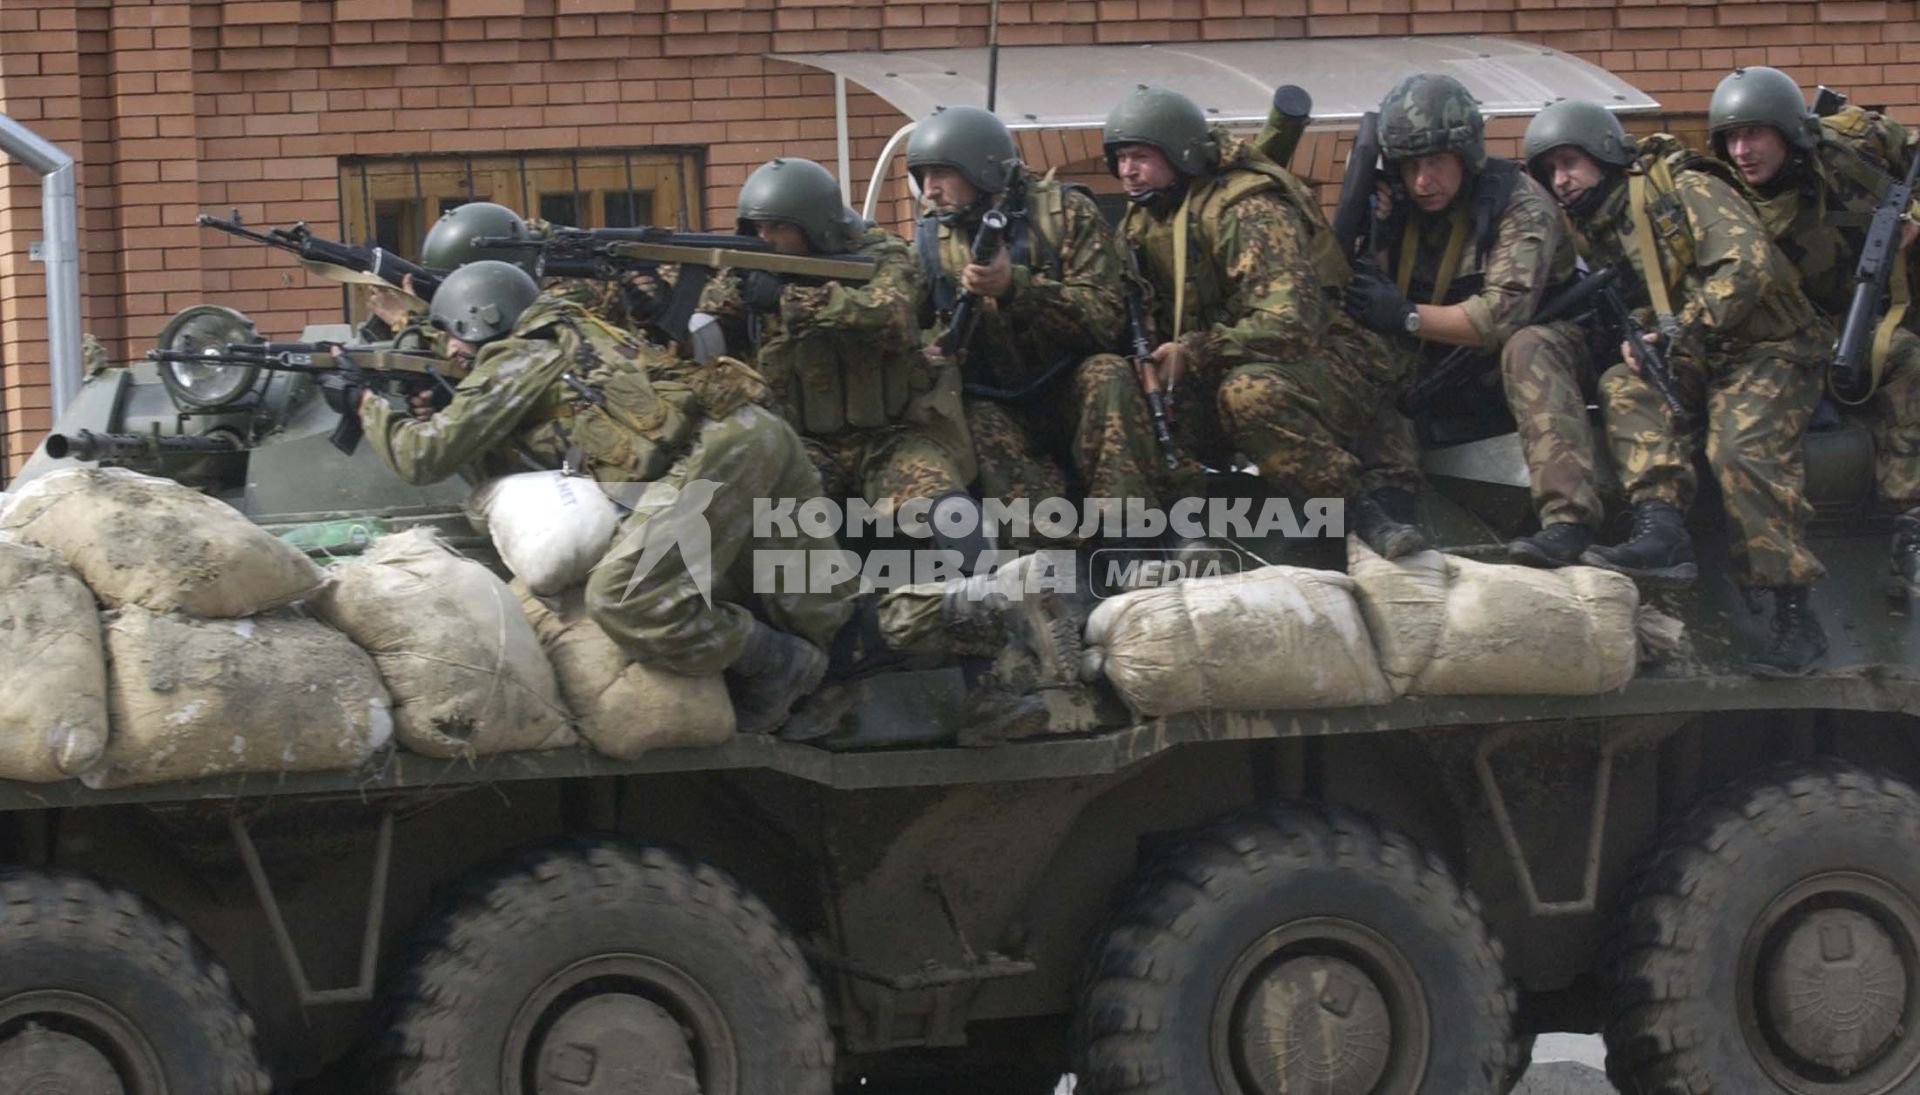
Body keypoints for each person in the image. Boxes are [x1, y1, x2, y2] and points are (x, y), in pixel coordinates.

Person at [353, 261, 1081, 739]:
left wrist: (369, 405)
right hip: (757, 437)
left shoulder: (518, 353)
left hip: (713, 462)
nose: (452, 356)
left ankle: (775, 662)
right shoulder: (570, 327)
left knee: (628, 599)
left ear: (482, 320)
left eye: (454, 340)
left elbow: (425, 455)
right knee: (838, 619)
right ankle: (998, 602)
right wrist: (409, 336)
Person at [1523, 99, 1831, 676]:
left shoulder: (1680, 187)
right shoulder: (1595, 226)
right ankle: (1661, 527)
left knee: (1738, 446)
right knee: (1622, 385)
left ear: (1603, 154)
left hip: (1771, 346)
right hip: (1699, 352)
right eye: (1549, 172)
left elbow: (1749, 265)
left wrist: (1676, 330)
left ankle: (1796, 613)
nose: (1560, 181)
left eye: (1570, 163)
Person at [1103, 85, 1424, 558]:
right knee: (1125, 390)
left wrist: (1193, 351)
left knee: (1249, 394)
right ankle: (1172, 532)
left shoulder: (1247, 209)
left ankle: (1357, 511)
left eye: (1141, 157)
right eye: (1121, 158)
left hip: (1333, 359)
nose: (1127, 171)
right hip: (1237, 358)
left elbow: (1289, 325)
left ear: (1181, 155)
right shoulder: (1145, 219)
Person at [1343, 73, 1598, 567]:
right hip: (1443, 366)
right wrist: (1378, 235)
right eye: (1411, 165)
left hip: (1538, 358)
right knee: (1361, 351)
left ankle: (1568, 521)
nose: (1423, 181)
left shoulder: (1519, 205)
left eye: (1435, 162)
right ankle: (1392, 504)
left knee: (1528, 345)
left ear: (1466, 156)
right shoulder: (1403, 208)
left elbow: (1500, 318)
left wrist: (1405, 315)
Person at [906, 104, 1178, 538]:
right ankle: (1046, 559)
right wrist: (933, 350)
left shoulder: (1065, 214)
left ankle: (1129, 538)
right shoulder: (929, 242)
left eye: (941, 174)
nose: (930, 191)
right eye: (922, 177)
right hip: (996, 401)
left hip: (1071, 386)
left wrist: (1018, 288)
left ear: (982, 170)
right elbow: (906, 318)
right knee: (971, 415)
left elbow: (1105, 321)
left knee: (1107, 374)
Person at [697, 157, 983, 555]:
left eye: (778, 226)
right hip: (803, 447)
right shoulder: (748, 267)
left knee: (954, 518)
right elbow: (708, 321)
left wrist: (788, 300)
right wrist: (661, 305)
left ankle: (987, 601)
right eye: (756, 227)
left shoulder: (883, 254)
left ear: (815, 225)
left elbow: (892, 312)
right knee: (763, 536)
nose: (765, 238)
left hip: (890, 439)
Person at [1707, 65, 1920, 597]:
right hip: (1779, 340)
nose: (1742, 151)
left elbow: (1912, 149)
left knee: (1906, 356)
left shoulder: (1853, 146)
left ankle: (1910, 523)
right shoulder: (1721, 199)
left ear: (1788, 131)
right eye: (1731, 137)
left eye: (1754, 133)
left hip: (1858, 319)